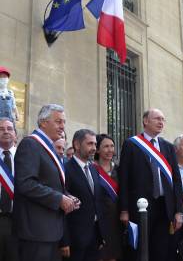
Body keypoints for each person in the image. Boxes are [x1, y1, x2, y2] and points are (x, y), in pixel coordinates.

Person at [13, 104, 79, 261]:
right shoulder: (30, 144)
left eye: (64, 122)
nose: (62, 126)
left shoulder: (48, 147)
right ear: (43, 122)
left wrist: (67, 196)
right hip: (35, 232)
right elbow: (26, 183)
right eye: (58, 122)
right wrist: (59, 199)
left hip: (50, 231)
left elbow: (51, 184)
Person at [119, 108, 183, 261]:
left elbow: (176, 181)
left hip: (164, 207)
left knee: (161, 250)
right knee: (141, 250)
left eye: (163, 119)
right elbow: (124, 179)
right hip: (139, 207)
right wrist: (124, 210)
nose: (161, 122)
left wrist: (179, 211)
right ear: (145, 121)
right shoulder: (131, 144)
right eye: (157, 119)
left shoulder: (168, 147)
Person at [61, 129, 106, 261]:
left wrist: (100, 235)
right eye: (90, 144)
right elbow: (62, 209)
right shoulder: (65, 169)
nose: (94, 148)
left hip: (94, 238)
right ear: (77, 144)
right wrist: (64, 241)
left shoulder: (93, 169)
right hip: (74, 240)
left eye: (95, 144)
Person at [94, 134, 122, 261]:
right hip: (98, 223)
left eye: (112, 146)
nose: (110, 150)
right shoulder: (91, 169)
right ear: (98, 149)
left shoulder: (119, 170)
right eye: (106, 146)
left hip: (116, 222)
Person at [0, 118, 19, 261]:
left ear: (15, 135)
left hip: (19, 222)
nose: (5, 131)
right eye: (1, 129)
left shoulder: (25, 157)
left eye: (9, 128)